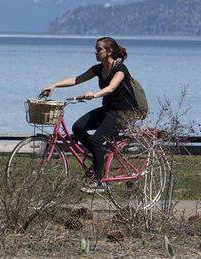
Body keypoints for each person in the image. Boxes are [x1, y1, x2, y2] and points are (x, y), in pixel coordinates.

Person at [40, 36, 140, 193]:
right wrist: (54, 85)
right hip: (108, 110)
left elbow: (111, 88)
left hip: (123, 113)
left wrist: (94, 94)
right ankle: (98, 154)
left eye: (99, 49)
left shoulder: (120, 69)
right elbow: (77, 79)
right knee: (78, 127)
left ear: (109, 51)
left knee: (96, 140)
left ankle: (100, 181)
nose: (95, 51)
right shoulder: (99, 69)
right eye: (96, 48)